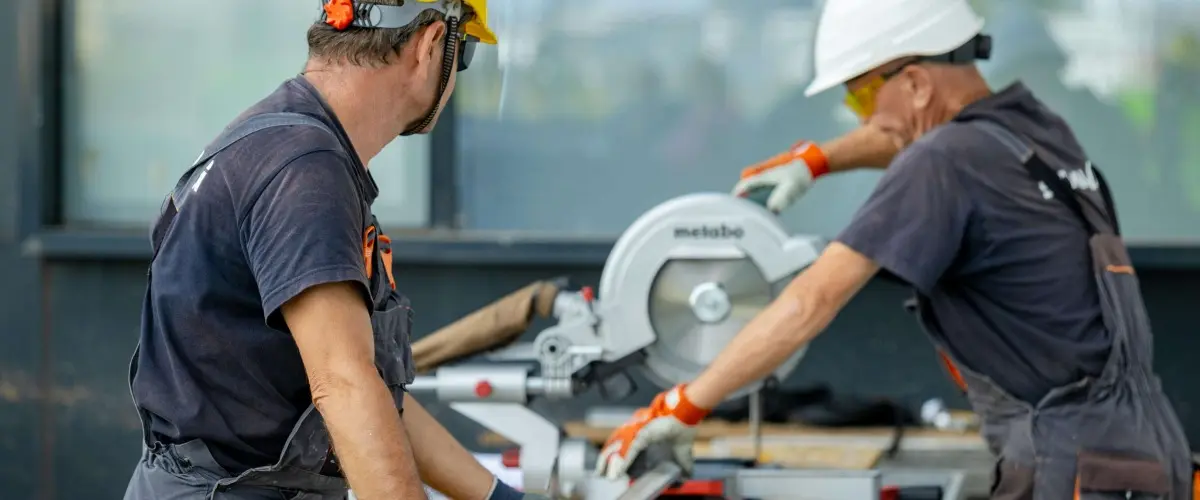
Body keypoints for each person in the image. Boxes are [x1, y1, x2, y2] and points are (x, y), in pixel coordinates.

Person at [596, 0, 1195, 498]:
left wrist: (681, 405)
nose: (857, 114)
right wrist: (820, 159)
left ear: (913, 81)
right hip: (1145, 453)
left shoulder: (942, 164)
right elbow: (916, 137)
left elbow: (810, 302)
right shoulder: (1035, 133)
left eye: (858, 98)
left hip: (1069, 471)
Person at [122, 1, 544, 499]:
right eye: (465, 54)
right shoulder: (305, 169)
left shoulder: (279, 142)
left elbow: (370, 395)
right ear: (432, 44)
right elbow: (344, 388)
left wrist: (497, 496)